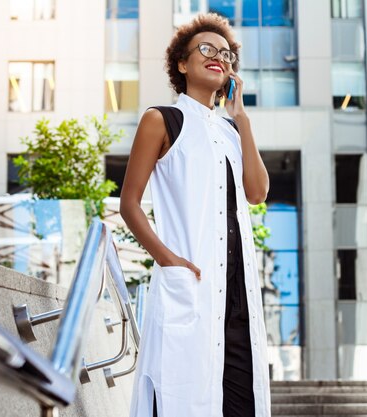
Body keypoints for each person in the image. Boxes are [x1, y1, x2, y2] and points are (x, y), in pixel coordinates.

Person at [119, 13, 271, 417]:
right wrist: (169, 261)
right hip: (193, 286)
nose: (218, 56)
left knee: (242, 403)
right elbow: (129, 204)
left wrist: (243, 118)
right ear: (182, 64)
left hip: (237, 297)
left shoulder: (232, 131)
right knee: (180, 398)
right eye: (206, 49)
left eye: (225, 53)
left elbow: (258, 192)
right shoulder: (161, 120)